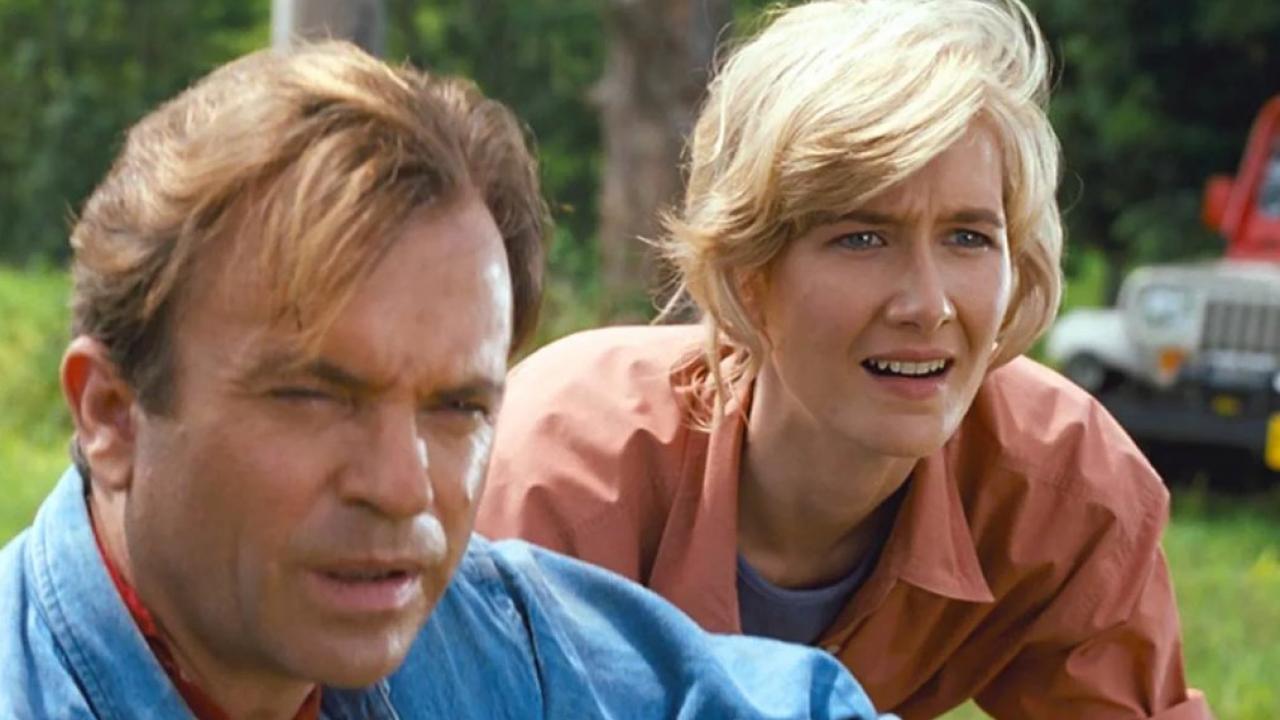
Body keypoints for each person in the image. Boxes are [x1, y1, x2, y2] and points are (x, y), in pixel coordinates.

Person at [0, 41, 890, 720]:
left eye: (457, 406)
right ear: (112, 415)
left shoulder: (497, 641)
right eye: (315, 397)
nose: (404, 488)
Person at [477, 1, 1212, 718]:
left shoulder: (1063, 488)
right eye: (863, 238)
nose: (928, 305)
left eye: (968, 238)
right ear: (749, 273)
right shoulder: (562, 474)